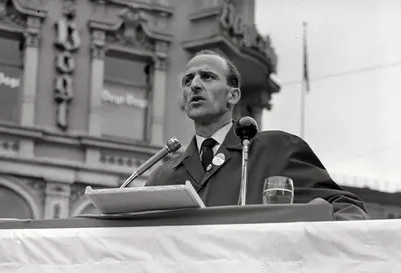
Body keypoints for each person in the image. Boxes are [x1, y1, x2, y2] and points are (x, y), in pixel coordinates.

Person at [145, 50, 368, 220]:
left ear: (233, 96)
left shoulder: (276, 151)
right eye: (188, 80)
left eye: (207, 77)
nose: (194, 84)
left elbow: (347, 209)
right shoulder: (162, 178)